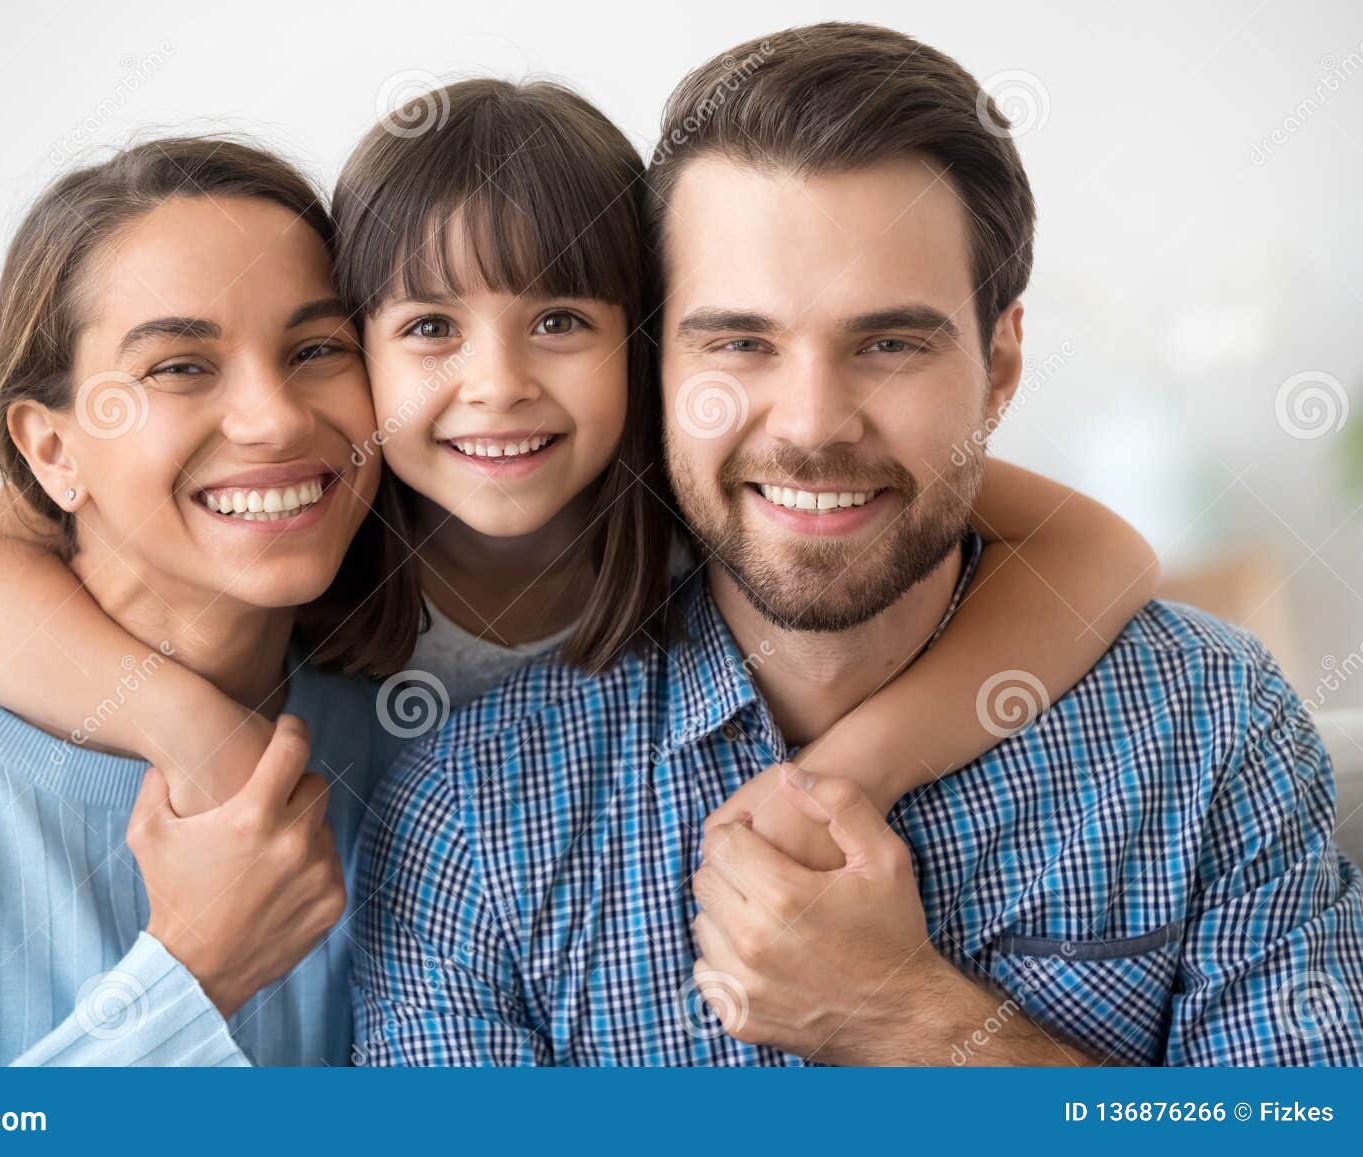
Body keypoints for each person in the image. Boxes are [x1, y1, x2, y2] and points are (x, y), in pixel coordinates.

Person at [350, 23, 1363, 1066]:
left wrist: (908, 1016)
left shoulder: (1211, 732)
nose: (810, 424)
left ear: (1000, 362)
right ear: (656, 365)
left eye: (887, 343)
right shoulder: (471, 814)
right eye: (739, 341)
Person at [0, 79, 1156, 872]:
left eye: (559, 321)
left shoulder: (715, 479)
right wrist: (192, 729)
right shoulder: (323, 516)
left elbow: (1102, 552)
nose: (495, 387)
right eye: (426, 328)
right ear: (357, 352)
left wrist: (851, 772)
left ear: (646, 342)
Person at [0, 138, 414, 1065]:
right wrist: (193, 975)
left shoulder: (407, 741)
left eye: (317, 348)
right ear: (52, 451)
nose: (274, 417)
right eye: (179, 366)